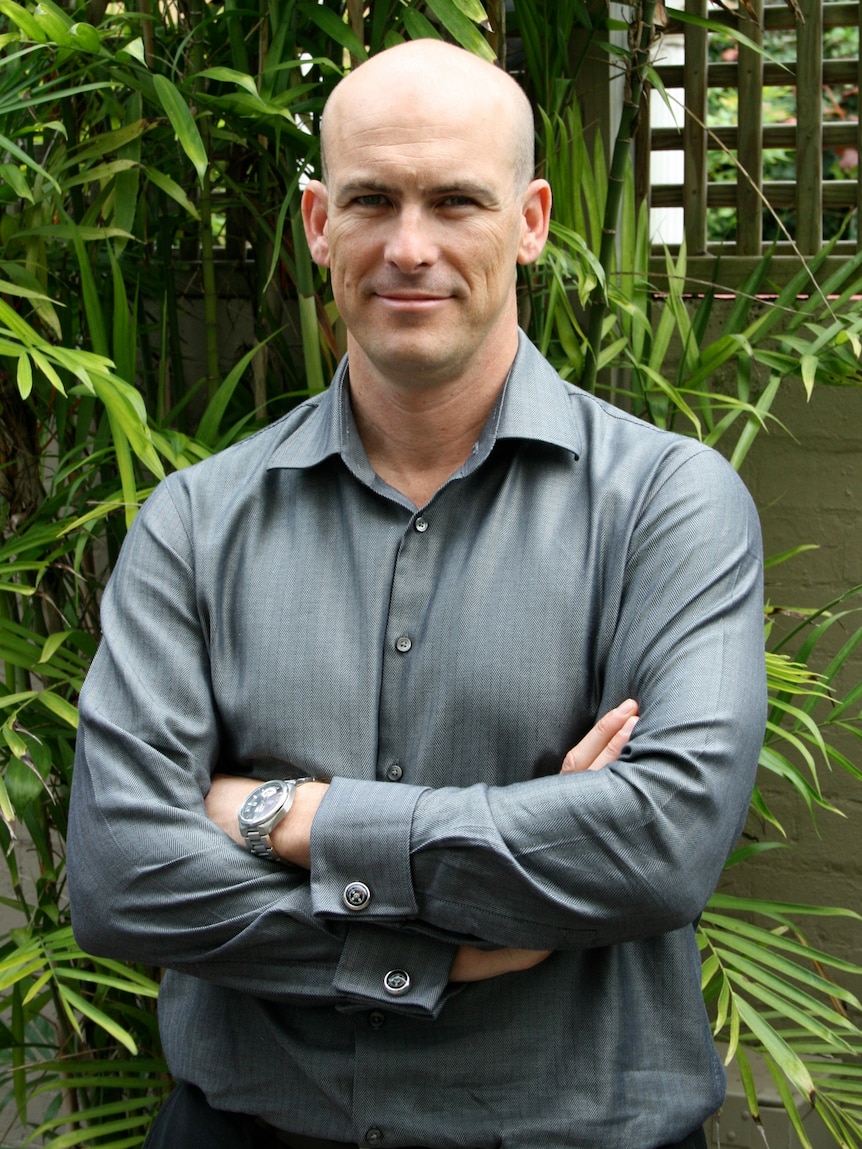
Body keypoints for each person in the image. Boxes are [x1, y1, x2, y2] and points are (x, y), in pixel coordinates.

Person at [67, 37, 767, 1149]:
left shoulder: (666, 505)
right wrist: (447, 942)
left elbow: (654, 848)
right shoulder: (197, 522)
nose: (408, 247)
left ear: (530, 221)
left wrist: (280, 813)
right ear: (316, 225)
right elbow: (120, 878)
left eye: (455, 202)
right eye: (371, 201)